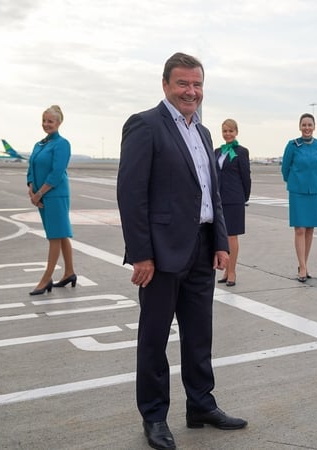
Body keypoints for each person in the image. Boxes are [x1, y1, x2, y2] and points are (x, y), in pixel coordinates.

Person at [117, 52, 247, 450]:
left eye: (197, 84)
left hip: (202, 249)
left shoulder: (204, 133)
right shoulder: (145, 125)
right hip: (161, 254)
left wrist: (220, 242)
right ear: (165, 85)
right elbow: (131, 195)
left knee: (199, 334)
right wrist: (141, 254)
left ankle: (201, 405)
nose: (191, 91)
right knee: (154, 338)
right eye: (183, 84)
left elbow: (212, 194)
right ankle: (154, 416)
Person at [26, 105, 77, 295]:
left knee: (54, 236)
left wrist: (39, 194)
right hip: (40, 194)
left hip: (55, 195)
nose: (46, 124)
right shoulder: (39, 144)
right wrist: (31, 188)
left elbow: (57, 173)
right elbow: (31, 168)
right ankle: (69, 272)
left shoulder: (62, 144)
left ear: (59, 123)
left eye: (50, 121)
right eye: (44, 120)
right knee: (60, 234)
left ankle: (46, 278)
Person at [281, 113, 317, 282]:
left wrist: (316, 183)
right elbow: (285, 168)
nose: (307, 128)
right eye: (304, 125)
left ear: (314, 127)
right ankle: (302, 266)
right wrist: (295, 181)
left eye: (310, 125)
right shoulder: (292, 145)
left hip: (314, 192)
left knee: (309, 229)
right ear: (299, 127)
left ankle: (304, 265)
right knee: (299, 229)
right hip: (297, 191)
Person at [215, 118, 252, 287]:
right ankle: (225, 270)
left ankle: (232, 271)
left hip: (234, 199)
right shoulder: (217, 152)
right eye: (225, 131)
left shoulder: (241, 151)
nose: (227, 134)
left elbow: (246, 177)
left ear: (236, 132)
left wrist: (244, 197)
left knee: (231, 236)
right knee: (221, 237)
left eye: (230, 131)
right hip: (219, 199)